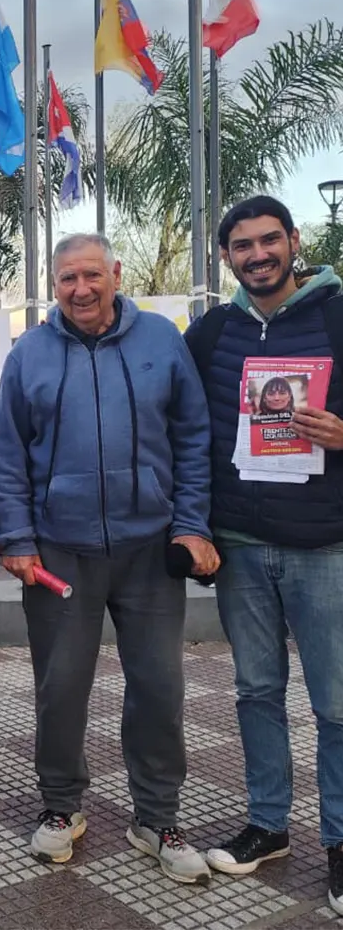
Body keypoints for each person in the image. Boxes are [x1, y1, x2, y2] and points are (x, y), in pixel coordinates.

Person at [0, 233, 219, 885]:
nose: (81, 289)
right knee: (60, 690)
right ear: (53, 285)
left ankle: (158, 816)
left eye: (92, 275)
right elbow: (7, 455)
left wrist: (191, 525)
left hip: (149, 550)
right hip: (61, 552)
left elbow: (193, 439)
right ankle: (62, 807)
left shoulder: (161, 344)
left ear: (116, 274)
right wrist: (17, 538)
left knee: (160, 688)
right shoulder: (29, 353)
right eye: (67, 279)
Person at [183, 196, 343, 913]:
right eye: (242, 245)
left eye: (269, 241)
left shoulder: (337, 314)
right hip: (240, 549)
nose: (257, 254)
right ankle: (269, 825)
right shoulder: (212, 331)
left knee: (337, 705)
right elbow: (182, 425)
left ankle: (340, 843)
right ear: (225, 256)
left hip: (324, 546)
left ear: (293, 241)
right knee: (256, 695)